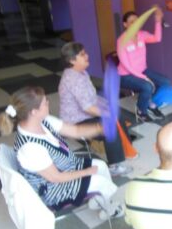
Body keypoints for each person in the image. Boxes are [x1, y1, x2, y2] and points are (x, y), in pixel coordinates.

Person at [0, 86, 123, 220]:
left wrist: (99, 128)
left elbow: (75, 131)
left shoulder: (44, 121)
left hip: (64, 167)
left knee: (101, 166)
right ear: (34, 111)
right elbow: (56, 178)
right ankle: (110, 209)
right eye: (45, 102)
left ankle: (102, 201)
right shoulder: (30, 148)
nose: (48, 103)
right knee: (100, 181)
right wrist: (86, 172)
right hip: (53, 189)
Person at [58, 42, 136, 176]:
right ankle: (114, 166)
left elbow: (92, 97)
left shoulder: (81, 72)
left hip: (85, 114)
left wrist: (108, 106)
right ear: (72, 60)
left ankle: (124, 145)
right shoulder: (73, 79)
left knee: (117, 112)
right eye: (82, 55)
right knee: (110, 124)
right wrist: (107, 113)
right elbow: (87, 107)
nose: (87, 56)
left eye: (85, 52)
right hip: (76, 121)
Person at [117, 8, 170, 122]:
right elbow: (127, 66)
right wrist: (145, 78)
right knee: (148, 86)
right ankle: (141, 111)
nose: (135, 24)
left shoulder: (142, 35)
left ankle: (150, 103)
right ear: (125, 24)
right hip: (125, 75)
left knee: (165, 82)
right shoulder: (121, 40)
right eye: (132, 22)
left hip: (142, 71)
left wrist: (157, 21)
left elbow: (157, 38)